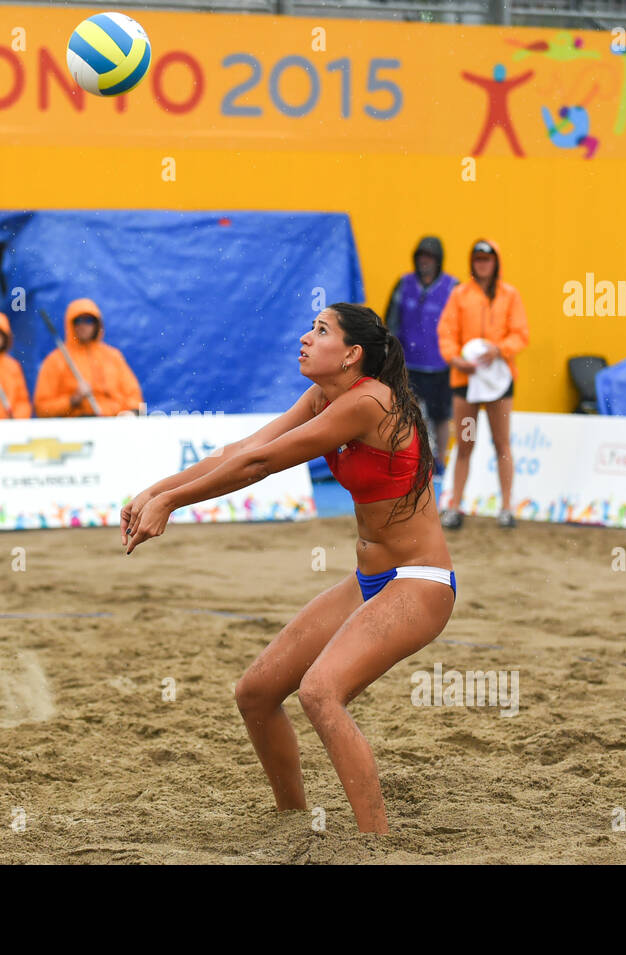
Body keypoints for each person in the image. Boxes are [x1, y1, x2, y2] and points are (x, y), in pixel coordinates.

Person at [122, 303, 455, 834]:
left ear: (351, 354)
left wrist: (174, 504)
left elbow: (262, 465)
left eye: (321, 331)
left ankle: (376, 843)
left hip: (421, 583)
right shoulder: (325, 396)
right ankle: (291, 822)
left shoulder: (368, 401)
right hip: (369, 582)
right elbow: (243, 449)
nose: (304, 337)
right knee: (255, 693)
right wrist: (158, 489)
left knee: (320, 692)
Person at [437, 239, 530, 530]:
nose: (482, 264)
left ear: (496, 262)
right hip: (466, 379)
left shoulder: (510, 295)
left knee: (501, 442)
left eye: (486, 259)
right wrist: (455, 359)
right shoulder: (460, 294)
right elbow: (447, 332)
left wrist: (499, 349)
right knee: (465, 444)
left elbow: (521, 334)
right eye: (477, 259)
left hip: (498, 379)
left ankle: (506, 507)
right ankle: (454, 506)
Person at [385, 236, 459, 477]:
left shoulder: (452, 287)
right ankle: (412, 459)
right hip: (409, 364)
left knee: (440, 416)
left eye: (429, 257)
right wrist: (390, 357)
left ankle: (439, 461)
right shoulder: (404, 284)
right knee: (407, 415)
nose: (424, 262)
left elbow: (461, 325)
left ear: (438, 261)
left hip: (441, 365)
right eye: (421, 257)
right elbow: (391, 322)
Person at [33, 298, 142, 417]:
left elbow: (133, 394)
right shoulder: (55, 360)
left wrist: (131, 411)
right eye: (78, 320)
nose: (83, 325)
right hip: (77, 427)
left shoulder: (113, 356)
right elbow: (42, 408)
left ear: (97, 324)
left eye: (89, 320)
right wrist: (72, 400)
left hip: (113, 422)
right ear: (70, 324)